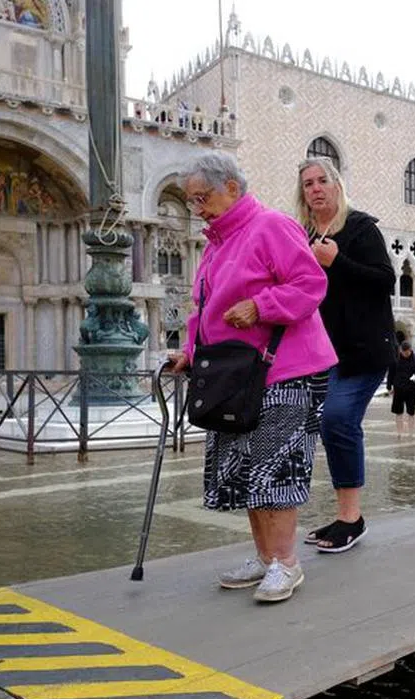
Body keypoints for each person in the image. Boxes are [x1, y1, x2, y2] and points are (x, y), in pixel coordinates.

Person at [168, 152, 336, 603]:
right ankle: (266, 557)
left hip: (285, 368)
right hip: (235, 374)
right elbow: (204, 311)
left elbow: (309, 284)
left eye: (203, 198)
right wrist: (188, 353)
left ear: (232, 189)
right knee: (245, 468)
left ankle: (287, 562)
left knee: (274, 465)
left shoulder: (272, 225)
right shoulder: (216, 243)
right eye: (192, 201)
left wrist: (261, 307)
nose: (197, 208)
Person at [297, 156, 396, 554]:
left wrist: (337, 261)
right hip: (320, 350)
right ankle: (344, 516)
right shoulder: (301, 235)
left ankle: (352, 519)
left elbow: (385, 280)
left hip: (363, 349)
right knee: (328, 426)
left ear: (337, 185)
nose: (316, 188)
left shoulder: (360, 228)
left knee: (338, 418)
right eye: (308, 184)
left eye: (323, 180)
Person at [387, 341, 415, 434]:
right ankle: (399, 432)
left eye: (407, 352)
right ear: (400, 350)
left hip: (411, 389)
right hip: (398, 389)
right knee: (398, 412)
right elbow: (391, 374)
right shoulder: (395, 359)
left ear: (410, 350)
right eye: (403, 352)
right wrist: (389, 387)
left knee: (411, 412)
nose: (405, 354)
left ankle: (410, 433)